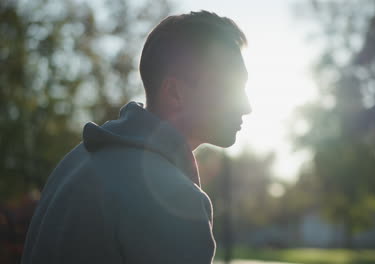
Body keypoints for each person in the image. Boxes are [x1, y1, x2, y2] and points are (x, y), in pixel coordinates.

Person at [21, 10, 251, 264]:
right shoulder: (174, 199)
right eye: (230, 88)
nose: (246, 106)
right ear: (175, 92)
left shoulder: (74, 163)